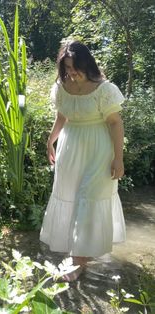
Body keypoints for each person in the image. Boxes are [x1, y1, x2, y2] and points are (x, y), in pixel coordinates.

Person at [39, 40, 126, 281]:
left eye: (74, 67)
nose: (71, 72)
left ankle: (78, 262)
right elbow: (62, 116)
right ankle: (79, 252)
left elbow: (116, 123)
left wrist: (118, 159)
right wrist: (50, 141)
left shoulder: (104, 89)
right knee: (70, 196)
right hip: (70, 147)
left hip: (98, 148)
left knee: (89, 197)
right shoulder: (62, 86)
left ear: (87, 64)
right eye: (66, 67)